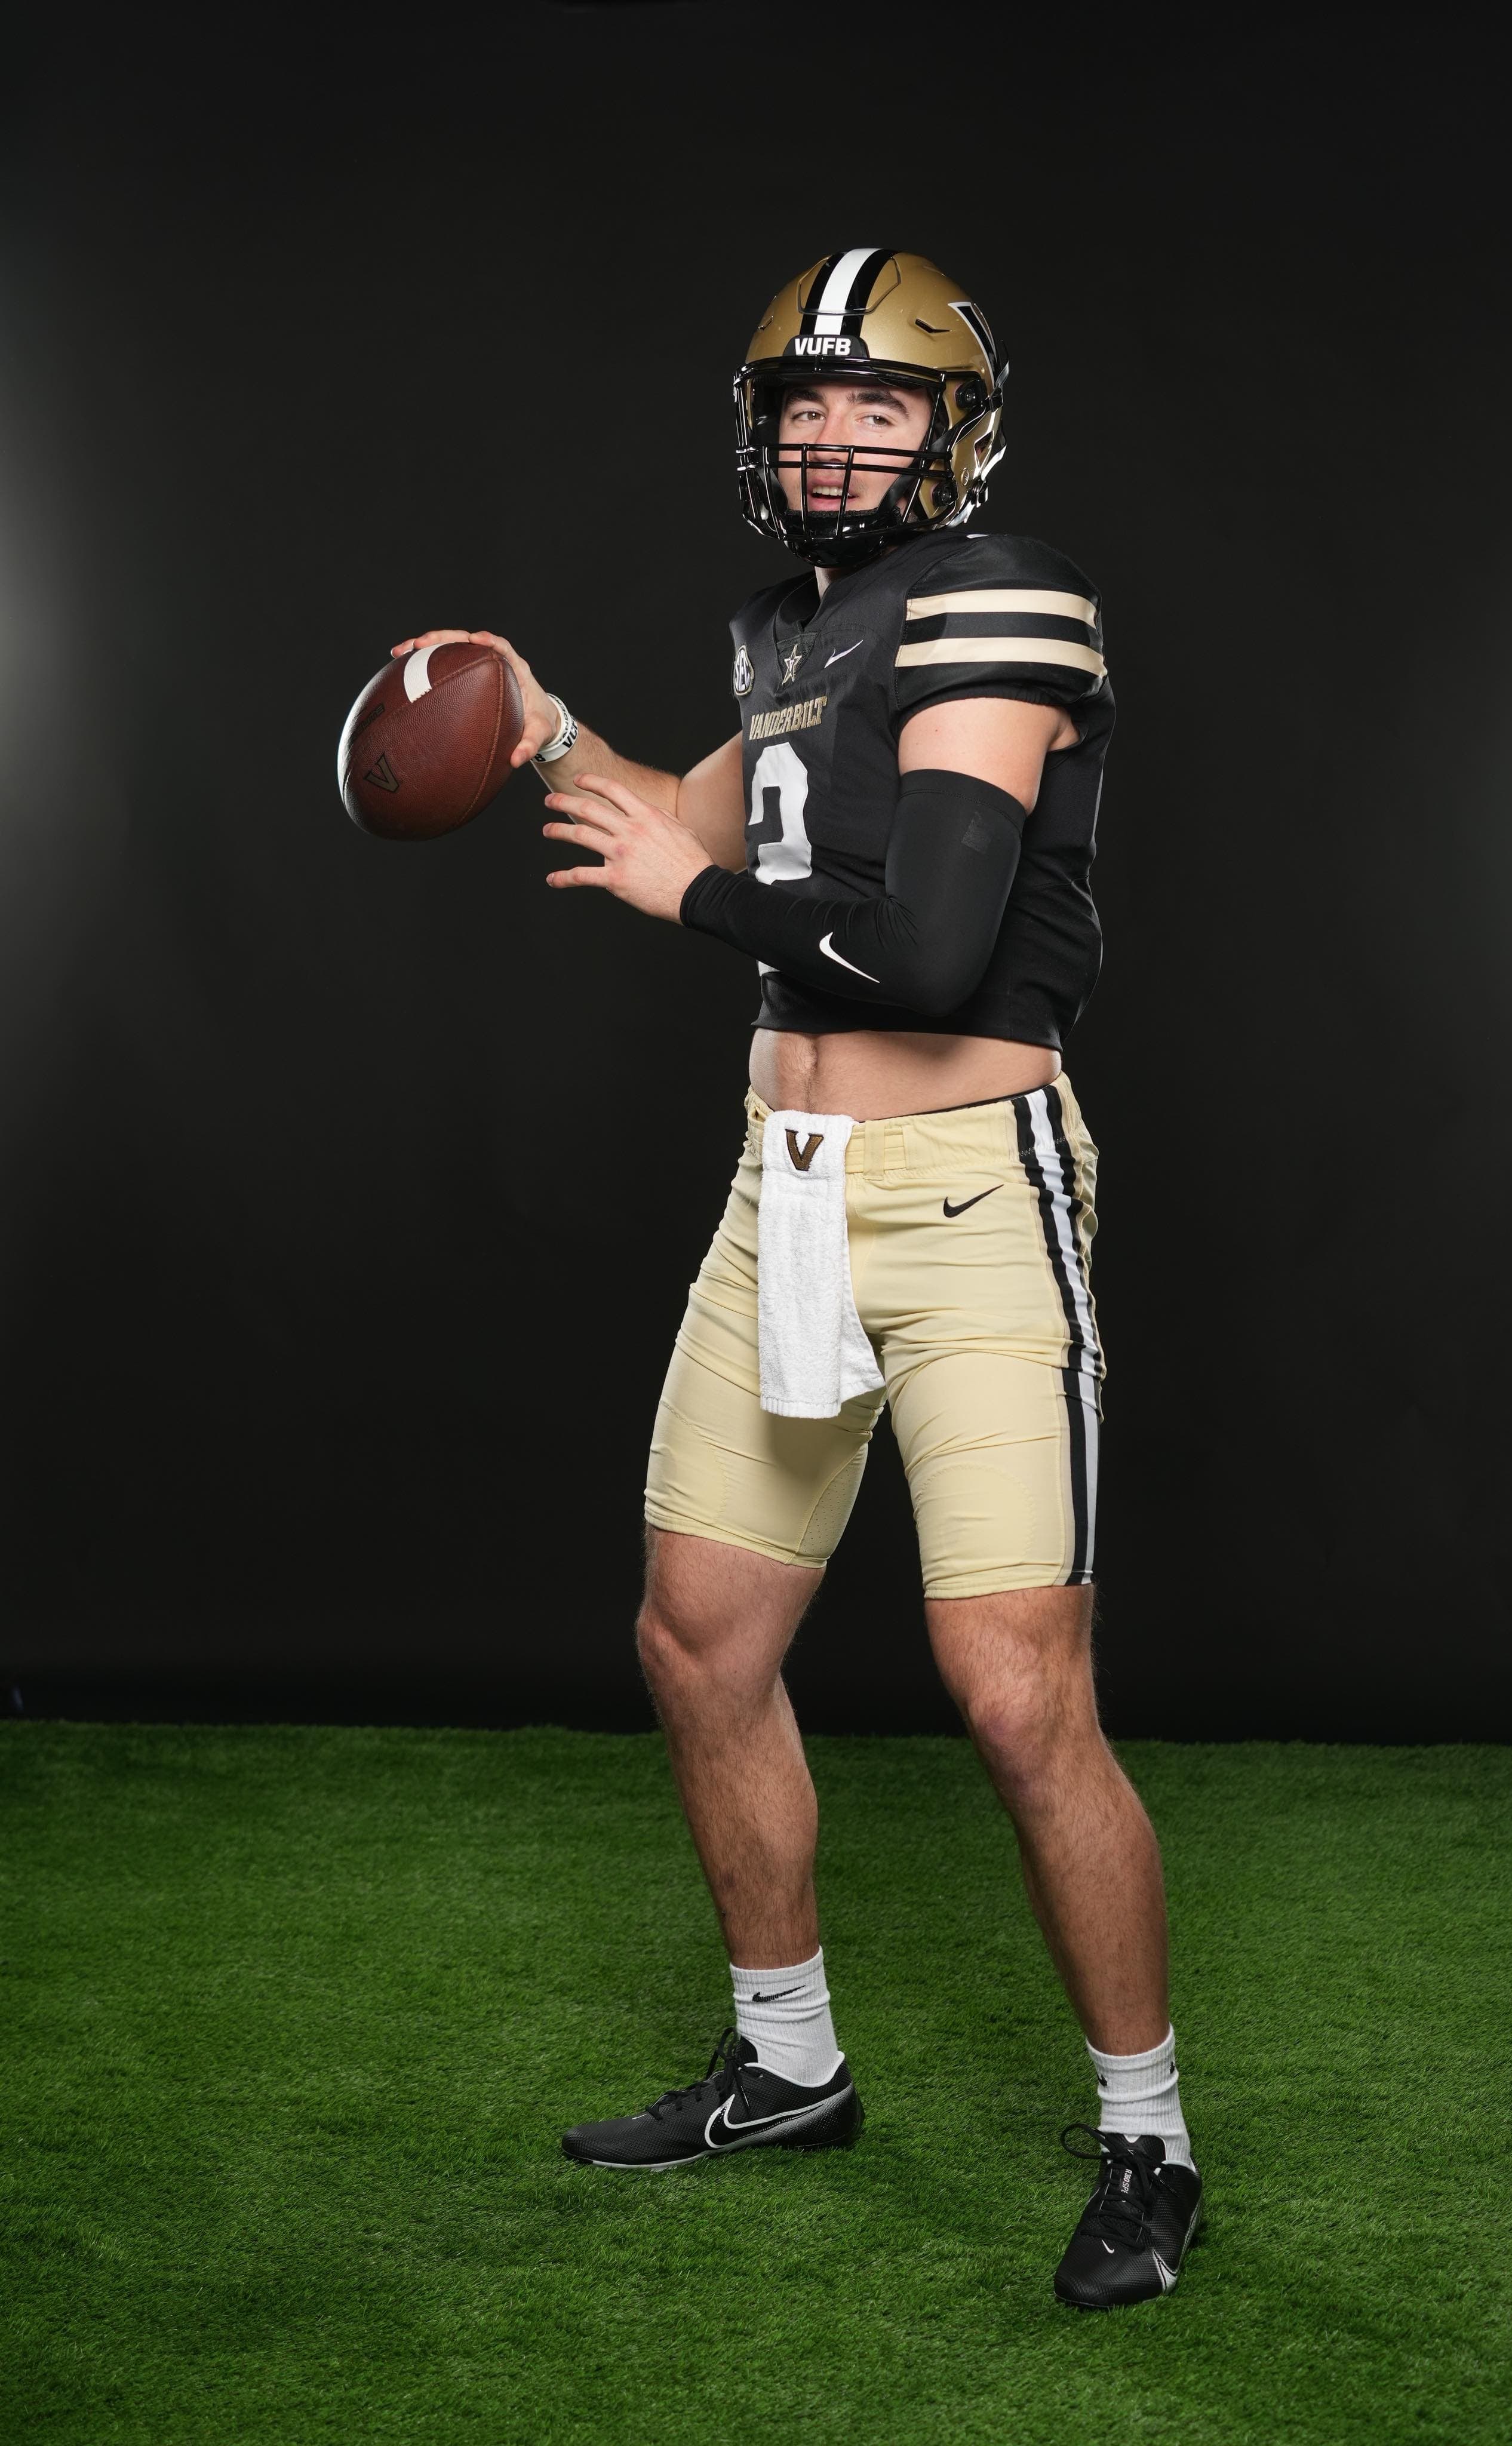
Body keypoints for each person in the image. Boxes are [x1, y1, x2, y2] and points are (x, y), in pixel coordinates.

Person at [394, 249, 1201, 2309]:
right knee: (697, 1641)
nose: (836, 436)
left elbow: (926, 952)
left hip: (971, 1196)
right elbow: (693, 819)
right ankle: (786, 2066)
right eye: (804, 403)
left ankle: (1147, 2141)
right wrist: (544, 727)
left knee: (1015, 1694)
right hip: (789, 1193)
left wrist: (690, 904)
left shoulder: (1004, 595)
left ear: (954, 427)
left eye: (880, 402)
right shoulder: (784, 628)